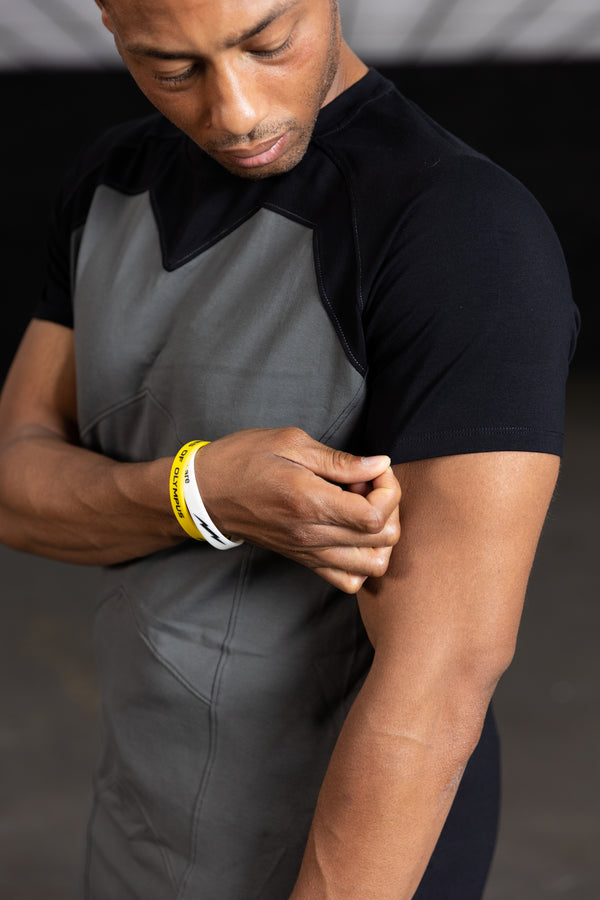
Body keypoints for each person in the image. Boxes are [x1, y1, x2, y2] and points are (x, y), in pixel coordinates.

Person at [0, 0, 579, 897]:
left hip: (343, 849)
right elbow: (14, 481)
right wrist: (200, 491)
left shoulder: (464, 231)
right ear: (111, 20)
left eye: (268, 44)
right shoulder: (109, 183)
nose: (234, 112)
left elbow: (440, 680)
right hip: (141, 810)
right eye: (172, 68)